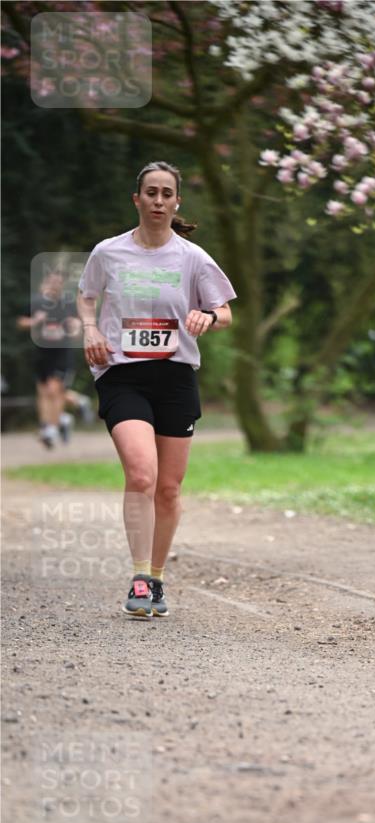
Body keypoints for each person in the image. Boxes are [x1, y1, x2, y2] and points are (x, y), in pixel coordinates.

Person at [77, 160, 236, 619]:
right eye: (151, 193)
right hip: (121, 372)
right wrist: (90, 330)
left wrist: (208, 317)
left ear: (177, 201)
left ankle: (158, 578)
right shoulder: (109, 252)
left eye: (167, 194)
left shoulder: (192, 257)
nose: (159, 201)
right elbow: (86, 295)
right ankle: (140, 578)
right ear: (137, 199)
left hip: (175, 375)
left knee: (168, 488)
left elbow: (225, 311)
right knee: (142, 475)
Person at [17, 271, 90, 448]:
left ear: (61, 285)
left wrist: (74, 326)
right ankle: (62, 417)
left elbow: (78, 325)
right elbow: (21, 322)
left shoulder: (66, 304)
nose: (54, 285)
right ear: (45, 282)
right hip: (42, 354)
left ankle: (52, 427)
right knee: (44, 391)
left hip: (61, 353)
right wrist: (35, 321)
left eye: (58, 282)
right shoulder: (37, 302)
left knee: (54, 389)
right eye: (51, 281)